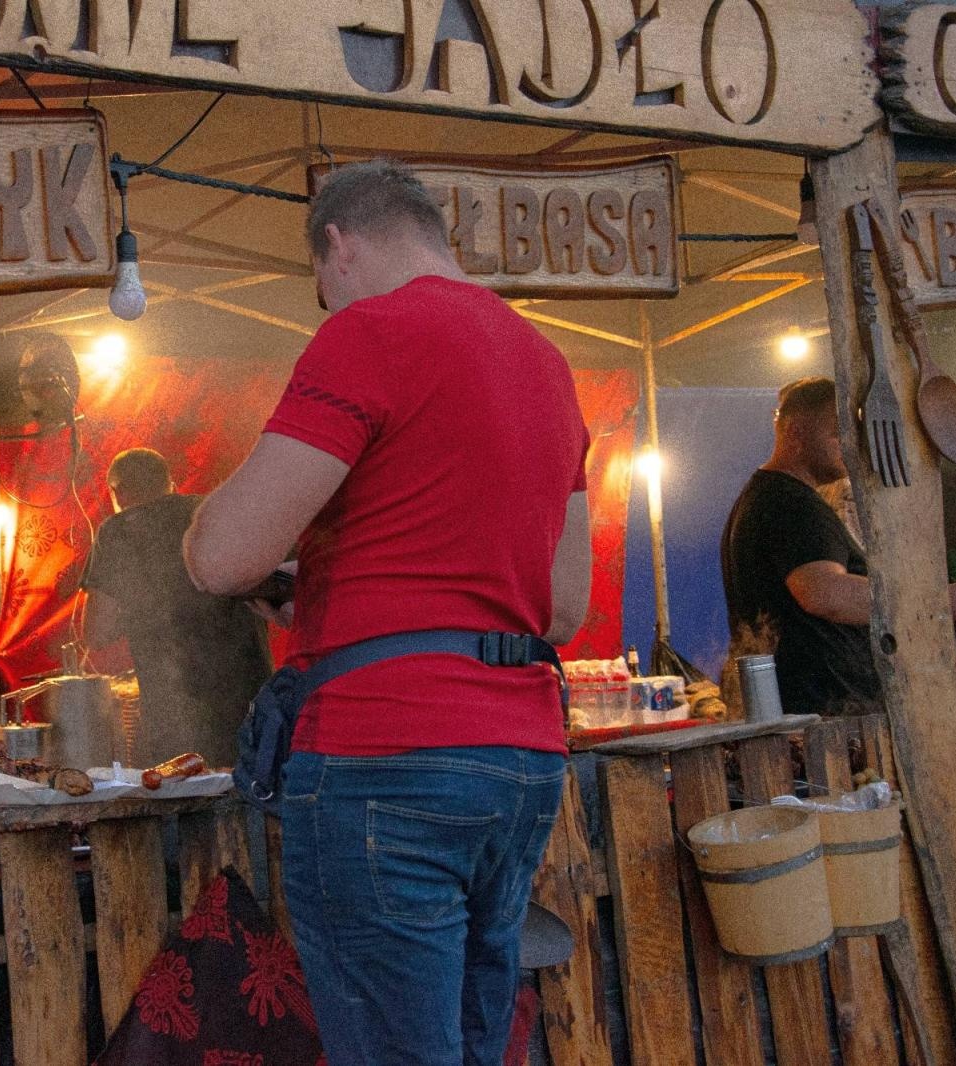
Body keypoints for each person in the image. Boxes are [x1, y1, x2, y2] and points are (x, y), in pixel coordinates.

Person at [183, 160, 592, 1066]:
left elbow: (222, 558)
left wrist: (225, 525)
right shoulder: (549, 363)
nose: (327, 306)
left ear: (339, 244)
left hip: (388, 757)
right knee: (474, 1044)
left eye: (322, 288)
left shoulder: (368, 335)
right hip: (522, 760)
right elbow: (563, 608)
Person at [721, 376, 956, 716]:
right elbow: (826, 594)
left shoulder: (770, 497)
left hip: (821, 713)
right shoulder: (789, 503)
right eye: (837, 432)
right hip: (822, 718)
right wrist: (940, 600)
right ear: (794, 433)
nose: (848, 445)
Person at [81, 447, 272, 769]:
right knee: (252, 806)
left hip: (178, 713)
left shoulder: (120, 531)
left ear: (118, 492)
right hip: (254, 705)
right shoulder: (217, 512)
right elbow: (277, 595)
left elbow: (97, 630)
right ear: (170, 482)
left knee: (182, 802)